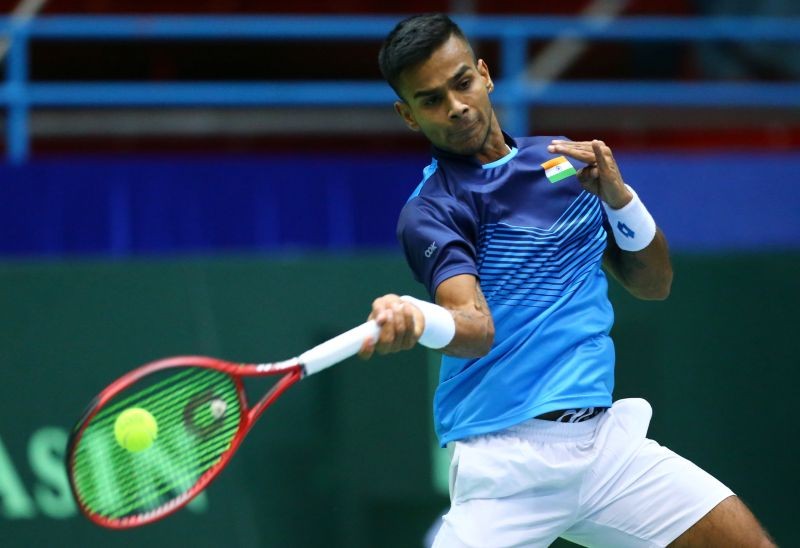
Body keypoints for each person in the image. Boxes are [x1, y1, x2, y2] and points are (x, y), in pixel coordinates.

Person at [357, 13, 775, 548]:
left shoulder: (560, 160)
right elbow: (475, 327)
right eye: (431, 99)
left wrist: (620, 198)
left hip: (605, 451)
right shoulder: (432, 210)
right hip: (507, 463)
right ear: (408, 115)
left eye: (462, 83)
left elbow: (653, 283)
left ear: (484, 74)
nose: (456, 106)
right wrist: (419, 319)